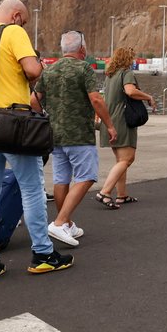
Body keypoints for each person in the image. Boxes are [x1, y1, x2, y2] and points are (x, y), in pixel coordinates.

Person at [0, 0, 73, 283]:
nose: (22, 25)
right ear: (15, 15)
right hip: (15, 126)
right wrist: (38, 68)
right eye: (23, 21)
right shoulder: (13, 32)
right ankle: (43, 254)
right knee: (32, 189)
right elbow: (34, 71)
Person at [31, 31, 117, 246]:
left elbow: (33, 99)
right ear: (82, 49)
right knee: (86, 176)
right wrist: (109, 125)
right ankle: (59, 223)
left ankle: (66, 223)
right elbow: (96, 99)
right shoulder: (83, 68)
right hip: (79, 134)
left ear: (63, 49)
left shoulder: (49, 71)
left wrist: (45, 117)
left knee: (61, 180)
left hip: (55, 135)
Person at [96, 46, 154, 204]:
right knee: (127, 159)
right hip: (122, 121)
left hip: (110, 120)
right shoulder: (126, 73)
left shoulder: (110, 75)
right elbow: (130, 91)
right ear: (128, 59)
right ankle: (105, 192)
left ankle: (122, 195)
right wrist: (148, 96)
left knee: (121, 160)